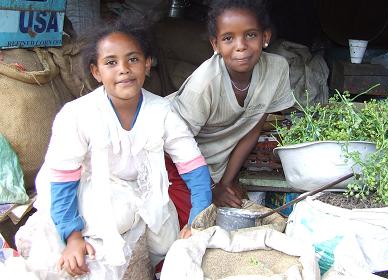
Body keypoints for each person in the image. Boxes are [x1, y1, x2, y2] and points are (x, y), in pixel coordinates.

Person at [16, 15, 212, 279]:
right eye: (111, 62)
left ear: (148, 64)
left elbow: (193, 166)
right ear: (96, 72)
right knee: (115, 217)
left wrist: (198, 220)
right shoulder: (77, 114)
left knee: (168, 239)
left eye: (133, 59)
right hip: (87, 192)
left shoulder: (162, 110)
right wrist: (73, 237)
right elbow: (62, 180)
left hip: (141, 192)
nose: (124, 69)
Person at [166, 0, 295, 229]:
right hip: (174, 158)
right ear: (215, 44)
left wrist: (225, 182)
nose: (240, 46)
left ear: (265, 37)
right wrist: (211, 190)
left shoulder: (277, 69)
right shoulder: (205, 84)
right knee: (192, 225)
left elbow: (252, 129)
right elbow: (175, 146)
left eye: (251, 35)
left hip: (216, 164)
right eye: (228, 38)